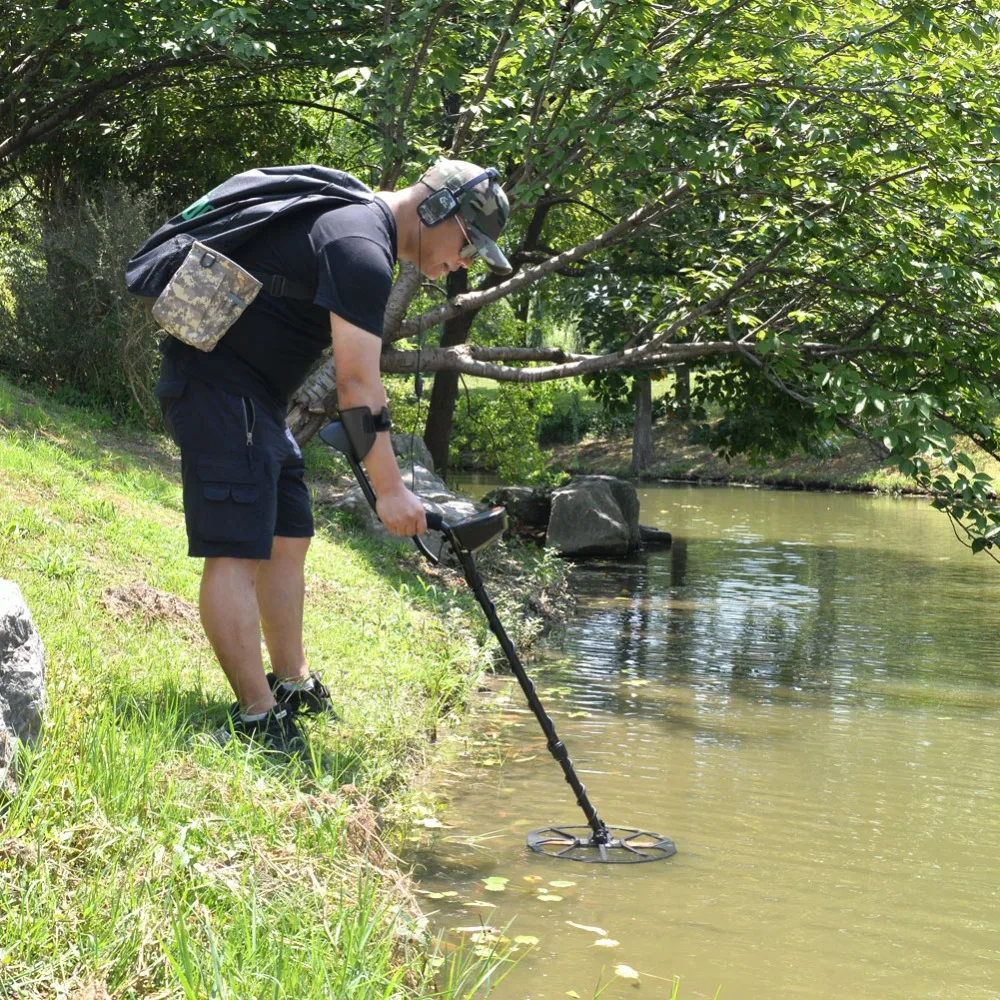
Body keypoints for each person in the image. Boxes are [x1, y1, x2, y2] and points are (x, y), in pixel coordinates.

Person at [152, 159, 512, 755]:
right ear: (435, 210)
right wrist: (391, 490)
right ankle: (257, 718)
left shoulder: (363, 235)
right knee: (237, 551)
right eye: (468, 242)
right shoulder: (359, 245)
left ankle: (291, 684)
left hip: (255, 401)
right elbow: (356, 385)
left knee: (288, 535)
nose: (466, 261)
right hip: (216, 389)